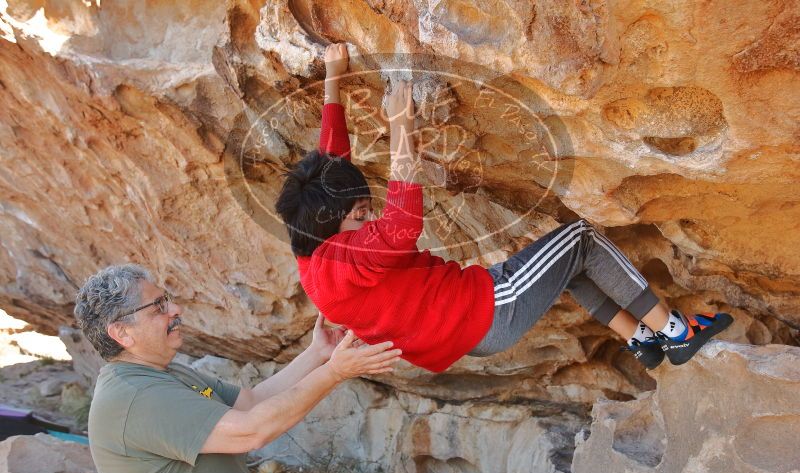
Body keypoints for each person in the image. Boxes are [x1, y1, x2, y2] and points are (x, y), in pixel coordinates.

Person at [275, 43, 733, 373]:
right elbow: (401, 226)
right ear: (333, 221)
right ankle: (676, 331)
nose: (366, 215)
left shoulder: (312, 246)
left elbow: (330, 161)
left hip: (463, 333)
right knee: (582, 239)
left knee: (570, 269)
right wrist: (401, 130)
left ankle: (641, 341)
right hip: (490, 308)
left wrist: (334, 81)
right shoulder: (345, 260)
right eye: (358, 213)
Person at [74, 264, 400, 473]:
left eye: (167, 299)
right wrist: (335, 373)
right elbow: (251, 430)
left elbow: (251, 401)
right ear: (122, 333)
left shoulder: (168, 374)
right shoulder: (138, 397)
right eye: (158, 306)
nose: (175, 310)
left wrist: (318, 354)